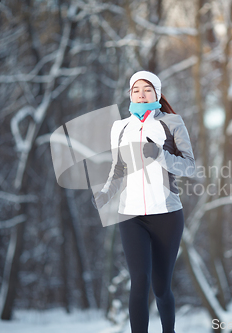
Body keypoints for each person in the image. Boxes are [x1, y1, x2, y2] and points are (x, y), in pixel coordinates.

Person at [92, 70, 195, 333]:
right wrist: (105, 193)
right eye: (136, 89)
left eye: (147, 89)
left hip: (167, 216)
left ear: (157, 94)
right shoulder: (121, 127)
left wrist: (159, 155)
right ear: (130, 94)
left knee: (160, 288)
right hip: (131, 216)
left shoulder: (172, 122)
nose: (141, 93)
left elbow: (190, 168)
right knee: (139, 282)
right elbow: (118, 169)